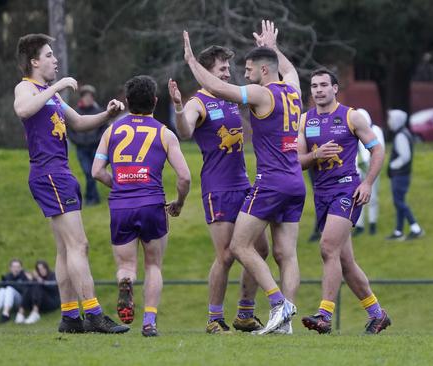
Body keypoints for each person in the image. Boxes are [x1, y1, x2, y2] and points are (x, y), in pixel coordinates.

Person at [183, 20, 304, 335]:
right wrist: (274, 49)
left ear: (263, 72)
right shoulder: (293, 89)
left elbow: (222, 88)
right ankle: (283, 323)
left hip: (271, 181)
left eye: (249, 69)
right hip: (295, 182)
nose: (243, 73)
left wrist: (192, 63)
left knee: (239, 246)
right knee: (285, 254)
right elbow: (289, 70)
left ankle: (279, 304)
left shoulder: (261, 94)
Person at [13, 33, 129, 334]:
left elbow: (78, 121)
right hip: (49, 173)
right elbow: (23, 110)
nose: (55, 59)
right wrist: (58, 84)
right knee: (80, 245)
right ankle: (93, 314)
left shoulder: (49, 94)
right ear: (35, 61)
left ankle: (69, 317)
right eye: (49, 55)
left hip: (59, 173)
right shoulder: (26, 87)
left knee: (66, 250)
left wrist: (108, 115)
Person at [168, 45, 269, 334]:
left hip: (244, 184)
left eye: (227, 67)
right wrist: (177, 107)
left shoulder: (230, 98)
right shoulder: (197, 102)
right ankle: (214, 318)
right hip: (218, 188)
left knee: (259, 249)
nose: (227, 72)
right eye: (222, 68)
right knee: (226, 255)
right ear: (205, 72)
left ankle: (245, 314)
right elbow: (185, 131)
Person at [92, 75, 192, 337]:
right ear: (155, 102)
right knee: (153, 266)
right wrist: (179, 203)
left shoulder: (111, 131)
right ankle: (149, 322)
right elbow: (184, 177)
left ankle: (125, 282)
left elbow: (96, 172)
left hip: (121, 206)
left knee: (126, 267)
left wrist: (121, 186)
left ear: (127, 101)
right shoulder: (164, 133)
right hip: (152, 204)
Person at [297, 68, 391, 335]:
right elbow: (298, 161)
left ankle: (324, 315)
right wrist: (316, 156)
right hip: (322, 194)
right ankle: (378, 314)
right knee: (346, 263)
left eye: (324, 85)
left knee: (327, 248)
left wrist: (368, 183)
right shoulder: (305, 120)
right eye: (314, 86)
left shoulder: (352, 116)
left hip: (346, 191)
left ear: (335, 88)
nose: (318, 90)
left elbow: (377, 149)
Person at [385, 109, 424, 241]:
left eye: (390, 119)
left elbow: (405, 156)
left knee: (399, 202)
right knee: (399, 202)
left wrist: (392, 166)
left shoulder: (401, 135)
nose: (389, 122)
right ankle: (398, 231)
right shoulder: (403, 133)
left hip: (400, 175)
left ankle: (416, 228)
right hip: (402, 175)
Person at [68, 84, 105, 206]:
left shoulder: (99, 112)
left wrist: (95, 140)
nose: (88, 99)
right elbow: (70, 131)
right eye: (86, 96)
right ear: (82, 98)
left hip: (95, 148)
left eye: (90, 97)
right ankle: (92, 198)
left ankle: (91, 198)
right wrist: (79, 141)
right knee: (88, 172)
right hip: (81, 149)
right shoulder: (75, 113)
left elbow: (104, 129)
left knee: (93, 173)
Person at [353, 108, 385, 236]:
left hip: (371, 167)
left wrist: (371, 163)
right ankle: (359, 225)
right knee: (357, 198)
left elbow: (379, 148)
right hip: (357, 169)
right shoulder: (353, 131)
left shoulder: (375, 130)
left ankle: (372, 223)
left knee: (372, 196)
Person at [15, 260, 60, 324]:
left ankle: (35, 313)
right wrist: (30, 280)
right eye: (39, 269)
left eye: (43, 268)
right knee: (31, 286)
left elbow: (53, 288)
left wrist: (39, 280)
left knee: (36, 285)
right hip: (39, 303)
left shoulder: (53, 275)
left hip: (51, 302)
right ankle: (20, 313)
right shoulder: (36, 278)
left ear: (46, 268)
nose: (42, 270)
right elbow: (26, 291)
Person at [0, 259, 29, 324]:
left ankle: (6, 314)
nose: (16, 269)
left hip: (21, 301)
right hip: (7, 299)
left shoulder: (24, 276)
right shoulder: (7, 276)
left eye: (18, 267)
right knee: (3, 290)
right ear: (10, 268)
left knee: (9, 288)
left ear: (21, 268)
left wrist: (11, 285)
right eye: (14, 267)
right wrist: (5, 284)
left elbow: (26, 291)